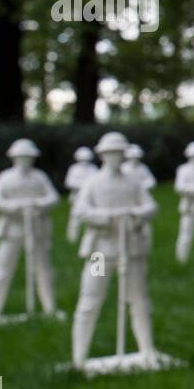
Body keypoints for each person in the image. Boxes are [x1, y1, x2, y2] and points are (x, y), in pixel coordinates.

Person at [72, 132, 159, 366]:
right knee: (91, 298)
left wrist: (134, 215)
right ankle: (79, 357)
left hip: (130, 250)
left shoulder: (133, 181)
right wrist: (108, 218)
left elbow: (151, 206)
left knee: (138, 299)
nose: (116, 158)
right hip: (101, 251)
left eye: (120, 153)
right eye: (111, 154)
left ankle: (147, 350)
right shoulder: (92, 182)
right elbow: (81, 210)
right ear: (102, 155)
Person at [0, 139, 60, 320]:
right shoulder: (5, 177)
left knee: (43, 269)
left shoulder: (40, 177)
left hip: (36, 229)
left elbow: (53, 198)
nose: (24, 161)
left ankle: (49, 308)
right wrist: (14, 207)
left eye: (28, 158)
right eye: (21, 157)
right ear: (14, 158)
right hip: (11, 230)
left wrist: (37, 204)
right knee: (3, 269)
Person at [64, 147, 99, 243]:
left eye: (86, 159)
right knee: (75, 217)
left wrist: (85, 186)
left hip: (90, 198)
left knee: (90, 217)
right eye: (82, 159)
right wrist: (84, 186)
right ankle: (72, 238)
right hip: (77, 197)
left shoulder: (93, 169)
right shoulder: (74, 169)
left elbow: (96, 182)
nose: (84, 162)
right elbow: (69, 182)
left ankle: (89, 238)